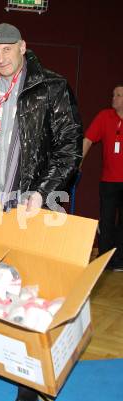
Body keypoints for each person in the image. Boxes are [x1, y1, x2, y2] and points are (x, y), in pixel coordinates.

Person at [0, 23, 83, 401]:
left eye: (8, 50)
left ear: (23, 47)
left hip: (32, 206)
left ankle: (27, 379)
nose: (1, 58)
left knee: (29, 294)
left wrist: (42, 193)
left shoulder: (51, 86)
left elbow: (69, 147)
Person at [83, 84, 123, 271]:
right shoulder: (104, 117)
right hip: (108, 181)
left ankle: (120, 260)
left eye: (118, 95)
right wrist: (78, 162)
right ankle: (105, 259)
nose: (113, 98)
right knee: (106, 221)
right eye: (113, 94)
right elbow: (88, 140)